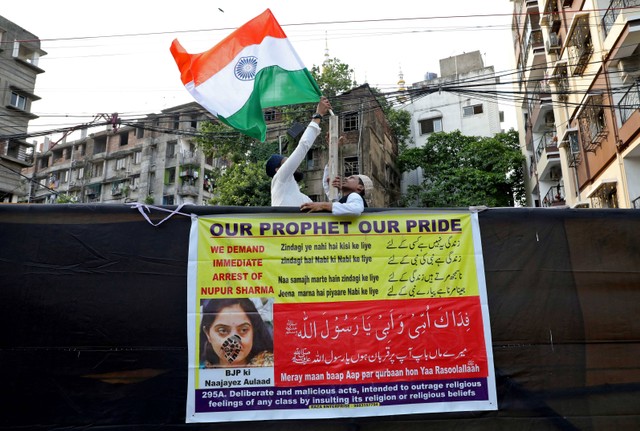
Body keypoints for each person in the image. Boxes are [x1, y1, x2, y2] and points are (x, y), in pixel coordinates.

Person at [266, 96, 332, 206]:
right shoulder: (279, 179)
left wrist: (332, 148)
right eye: (286, 162)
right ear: (278, 169)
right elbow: (303, 146)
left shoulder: (303, 199)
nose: (296, 164)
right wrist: (318, 115)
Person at [200, 298, 274, 368]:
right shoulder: (199, 371)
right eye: (223, 331)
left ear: (253, 332)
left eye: (243, 330)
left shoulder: (271, 366)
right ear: (208, 334)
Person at [300, 172, 373, 216]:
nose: (345, 178)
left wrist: (323, 206)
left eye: (351, 178)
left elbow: (356, 209)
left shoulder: (355, 196)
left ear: (360, 187)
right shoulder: (345, 199)